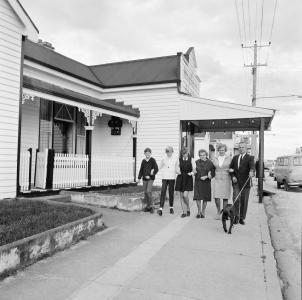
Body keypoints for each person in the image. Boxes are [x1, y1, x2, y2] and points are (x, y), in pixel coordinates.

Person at [229, 142, 255, 225]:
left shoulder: (250, 158)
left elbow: (252, 166)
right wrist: (232, 176)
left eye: (243, 147)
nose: (241, 148)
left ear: (246, 148)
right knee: (236, 199)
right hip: (236, 183)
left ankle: (242, 218)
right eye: (239, 147)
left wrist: (251, 171)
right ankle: (236, 216)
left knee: (244, 201)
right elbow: (231, 168)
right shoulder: (235, 158)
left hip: (245, 183)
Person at [193, 149, 215, 218]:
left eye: (204, 155)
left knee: (205, 198)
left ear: (206, 155)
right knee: (197, 197)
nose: (202, 156)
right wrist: (193, 171)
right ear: (199, 156)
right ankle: (198, 212)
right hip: (198, 182)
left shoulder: (210, 163)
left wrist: (207, 176)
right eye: (201, 155)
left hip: (206, 183)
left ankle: (203, 211)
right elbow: (193, 171)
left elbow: (213, 173)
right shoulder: (196, 162)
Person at [212, 144, 232, 220]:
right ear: (218, 150)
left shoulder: (229, 158)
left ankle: (225, 213)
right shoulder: (215, 158)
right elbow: (211, 168)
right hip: (217, 179)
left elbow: (233, 167)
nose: (221, 151)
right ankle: (218, 211)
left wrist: (231, 171)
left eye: (223, 150)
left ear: (225, 150)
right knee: (216, 197)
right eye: (220, 150)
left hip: (226, 179)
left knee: (225, 197)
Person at [158, 146, 178, 216]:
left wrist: (179, 172)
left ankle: (171, 207)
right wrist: (153, 171)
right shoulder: (163, 158)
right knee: (163, 191)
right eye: (167, 152)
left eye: (170, 152)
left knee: (171, 192)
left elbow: (177, 168)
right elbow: (159, 167)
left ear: (172, 152)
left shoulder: (175, 159)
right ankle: (160, 208)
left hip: (172, 178)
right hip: (165, 177)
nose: (168, 153)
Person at [138, 148, 159, 213]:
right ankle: (148, 207)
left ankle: (152, 206)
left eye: (149, 153)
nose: (147, 154)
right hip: (144, 179)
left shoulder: (152, 160)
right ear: (144, 153)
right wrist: (139, 177)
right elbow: (141, 170)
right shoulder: (143, 161)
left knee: (148, 191)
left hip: (150, 179)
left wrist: (151, 174)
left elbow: (156, 169)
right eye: (146, 153)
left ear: (150, 153)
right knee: (145, 192)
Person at [175, 147, 194, 218]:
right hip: (181, 178)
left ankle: (188, 207)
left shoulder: (191, 159)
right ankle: (184, 212)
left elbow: (195, 170)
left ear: (187, 153)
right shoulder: (179, 160)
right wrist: (177, 171)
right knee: (181, 196)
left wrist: (191, 173)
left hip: (188, 178)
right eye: (183, 154)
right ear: (181, 154)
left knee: (185, 195)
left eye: (185, 153)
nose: (184, 155)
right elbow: (176, 169)